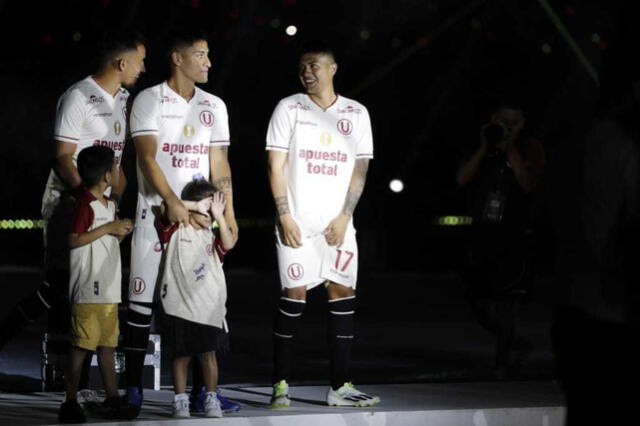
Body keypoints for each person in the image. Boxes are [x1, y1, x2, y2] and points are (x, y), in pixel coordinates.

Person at [0, 30, 145, 400]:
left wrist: (116, 198)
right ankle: (69, 382)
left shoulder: (126, 99)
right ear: (121, 62)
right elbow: (64, 155)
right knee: (61, 285)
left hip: (100, 201)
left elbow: (118, 157)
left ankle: (75, 384)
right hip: (71, 200)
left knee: (86, 286)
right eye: (140, 61)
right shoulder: (78, 96)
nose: (144, 69)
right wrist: (88, 198)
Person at [123, 30, 239, 417]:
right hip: (154, 217)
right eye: (201, 55)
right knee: (141, 305)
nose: (208, 62)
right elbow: (147, 157)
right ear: (177, 58)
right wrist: (171, 202)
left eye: (209, 55)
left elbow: (219, 164)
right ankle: (133, 390)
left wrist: (229, 213)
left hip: (199, 226)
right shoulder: (148, 99)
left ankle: (205, 393)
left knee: (201, 308)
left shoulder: (214, 106)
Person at [266, 40, 380, 407]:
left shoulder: (357, 113)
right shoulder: (288, 108)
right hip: (297, 223)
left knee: (342, 293)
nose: (307, 72)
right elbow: (275, 165)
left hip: (338, 225)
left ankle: (340, 386)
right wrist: (284, 214)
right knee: (294, 296)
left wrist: (346, 215)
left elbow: (360, 170)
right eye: (302, 67)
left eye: (314, 65)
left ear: (333, 68)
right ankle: (280, 384)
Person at [456, 101, 545, 378]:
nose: (507, 126)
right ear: (494, 118)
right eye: (503, 121)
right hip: (482, 233)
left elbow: (527, 182)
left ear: (523, 122)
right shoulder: (483, 142)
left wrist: (511, 144)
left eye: (514, 121)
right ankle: (517, 344)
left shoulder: (530, 146)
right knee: (478, 303)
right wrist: (486, 146)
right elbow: (461, 178)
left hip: (514, 235)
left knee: (508, 302)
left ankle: (502, 363)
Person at [57, 146, 134, 423]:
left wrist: (120, 231)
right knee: (81, 346)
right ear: (105, 175)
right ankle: (69, 401)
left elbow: (108, 240)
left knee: (108, 346)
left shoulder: (110, 204)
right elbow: (74, 239)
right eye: (114, 167)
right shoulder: (85, 204)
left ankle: (112, 399)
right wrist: (107, 229)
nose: (118, 172)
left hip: (110, 287)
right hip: (88, 288)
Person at [156, 179, 235, 418]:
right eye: (207, 210)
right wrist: (195, 205)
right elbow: (164, 206)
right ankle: (180, 400)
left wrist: (220, 217)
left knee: (208, 354)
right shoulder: (176, 228)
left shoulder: (211, 237)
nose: (210, 215)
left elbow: (229, 242)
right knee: (182, 356)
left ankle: (211, 398)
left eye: (214, 211)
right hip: (180, 305)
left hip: (208, 307)